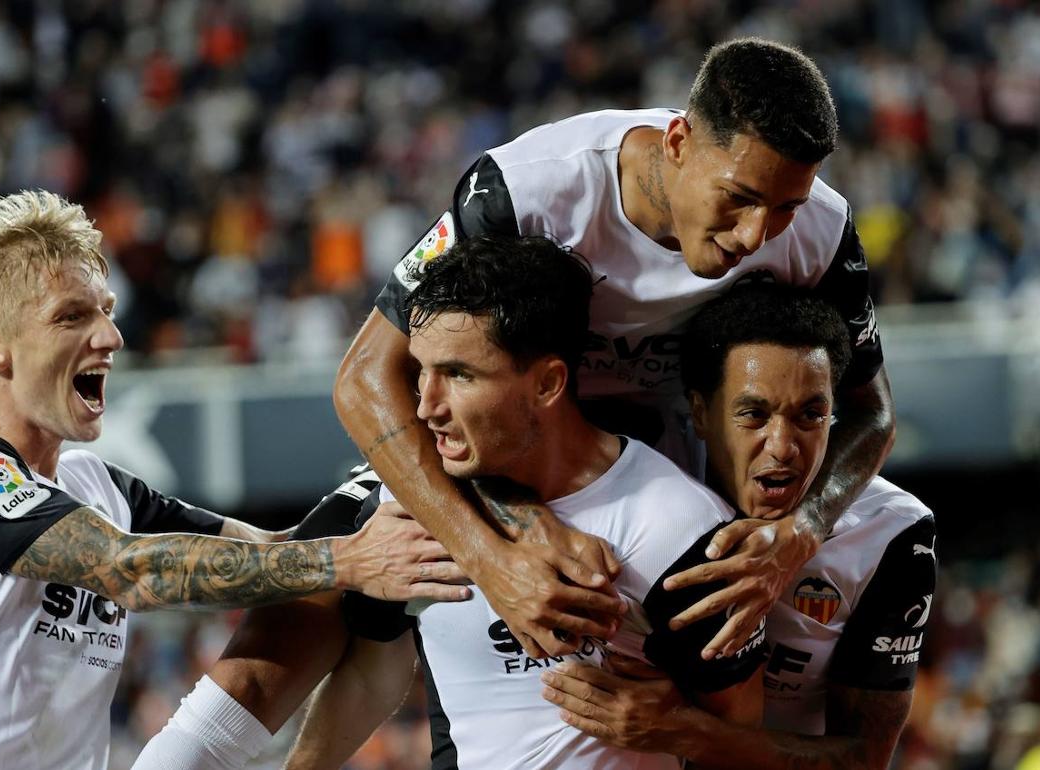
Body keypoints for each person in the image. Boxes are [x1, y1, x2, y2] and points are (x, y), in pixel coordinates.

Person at [335, 36, 896, 662]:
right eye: (739, 198)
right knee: (320, 621)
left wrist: (801, 532)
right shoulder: (528, 190)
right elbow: (364, 378)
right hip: (510, 462)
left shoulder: (824, 228)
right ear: (678, 142)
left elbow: (871, 412)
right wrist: (493, 552)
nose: (755, 235)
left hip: (669, 479)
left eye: (785, 208)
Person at [135, 234, 771, 769]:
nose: (423, 407)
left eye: (459, 375)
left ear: (548, 382)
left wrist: (680, 730)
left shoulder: (680, 530)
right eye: (418, 372)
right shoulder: (400, 502)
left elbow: (740, 735)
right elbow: (365, 667)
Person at [0, 190, 468, 770]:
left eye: (107, 311)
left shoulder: (95, 485)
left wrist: (374, 502)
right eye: (71, 317)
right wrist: (350, 560)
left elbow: (275, 555)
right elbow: (132, 571)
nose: (110, 337)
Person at [541, 285, 937, 769]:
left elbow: (864, 760)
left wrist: (685, 732)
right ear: (701, 414)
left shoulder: (890, 532)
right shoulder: (647, 481)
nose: (782, 447)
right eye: (754, 414)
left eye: (811, 415)